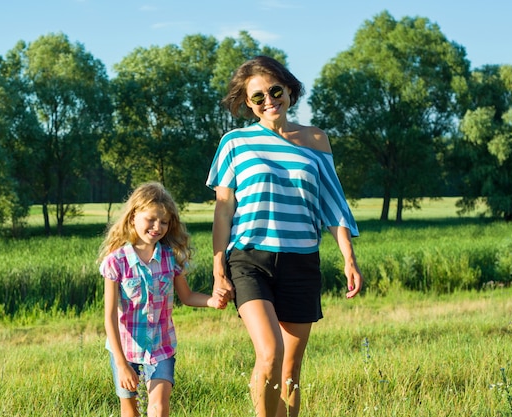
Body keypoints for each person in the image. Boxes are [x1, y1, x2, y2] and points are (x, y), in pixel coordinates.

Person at [206, 55, 363, 417]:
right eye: (257, 97)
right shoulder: (235, 143)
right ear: (248, 104)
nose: (268, 100)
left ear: (289, 90)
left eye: (274, 90)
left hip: (301, 260)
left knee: (291, 371)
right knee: (269, 353)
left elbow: (332, 203)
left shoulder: (315, 139)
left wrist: (348, 257)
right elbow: (223, 209)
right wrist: (218, 267)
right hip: (249, 259)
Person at [98, 181, 227, 417]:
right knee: (130, 412)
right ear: (133, 216)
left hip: (161, 347)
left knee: (158, 409)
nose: (158, 227)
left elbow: (186, 297)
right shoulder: (116, 261)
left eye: (164, 222)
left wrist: (211, 301)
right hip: (125, 350)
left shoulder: (170, 258)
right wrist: (121, 363)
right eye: (151, 219)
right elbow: (109, 318)